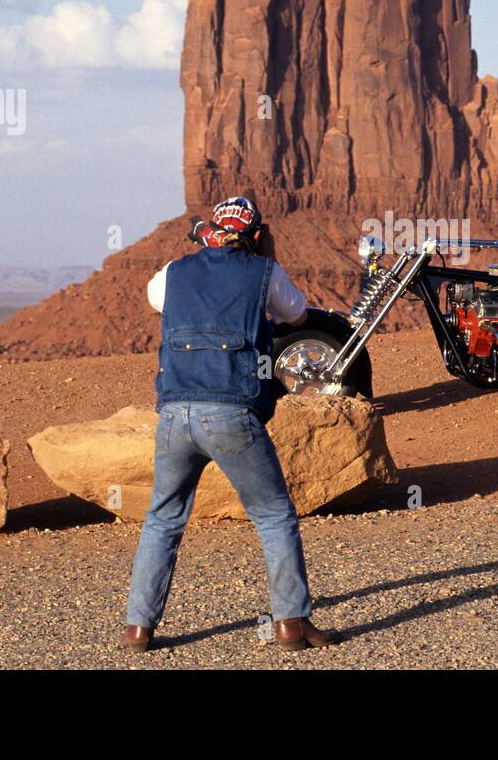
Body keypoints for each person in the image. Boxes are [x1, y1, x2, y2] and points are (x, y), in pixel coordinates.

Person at [120, 196, 342, 653]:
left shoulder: (173, 273)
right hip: (232, 414)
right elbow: (296, 315)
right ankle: (291, 624)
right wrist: (268, 260)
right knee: (274, 516)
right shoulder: (264, 273)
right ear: (255, 234)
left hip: (174, 413)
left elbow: (155, 300)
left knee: (162, 519)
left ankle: (138, 629)